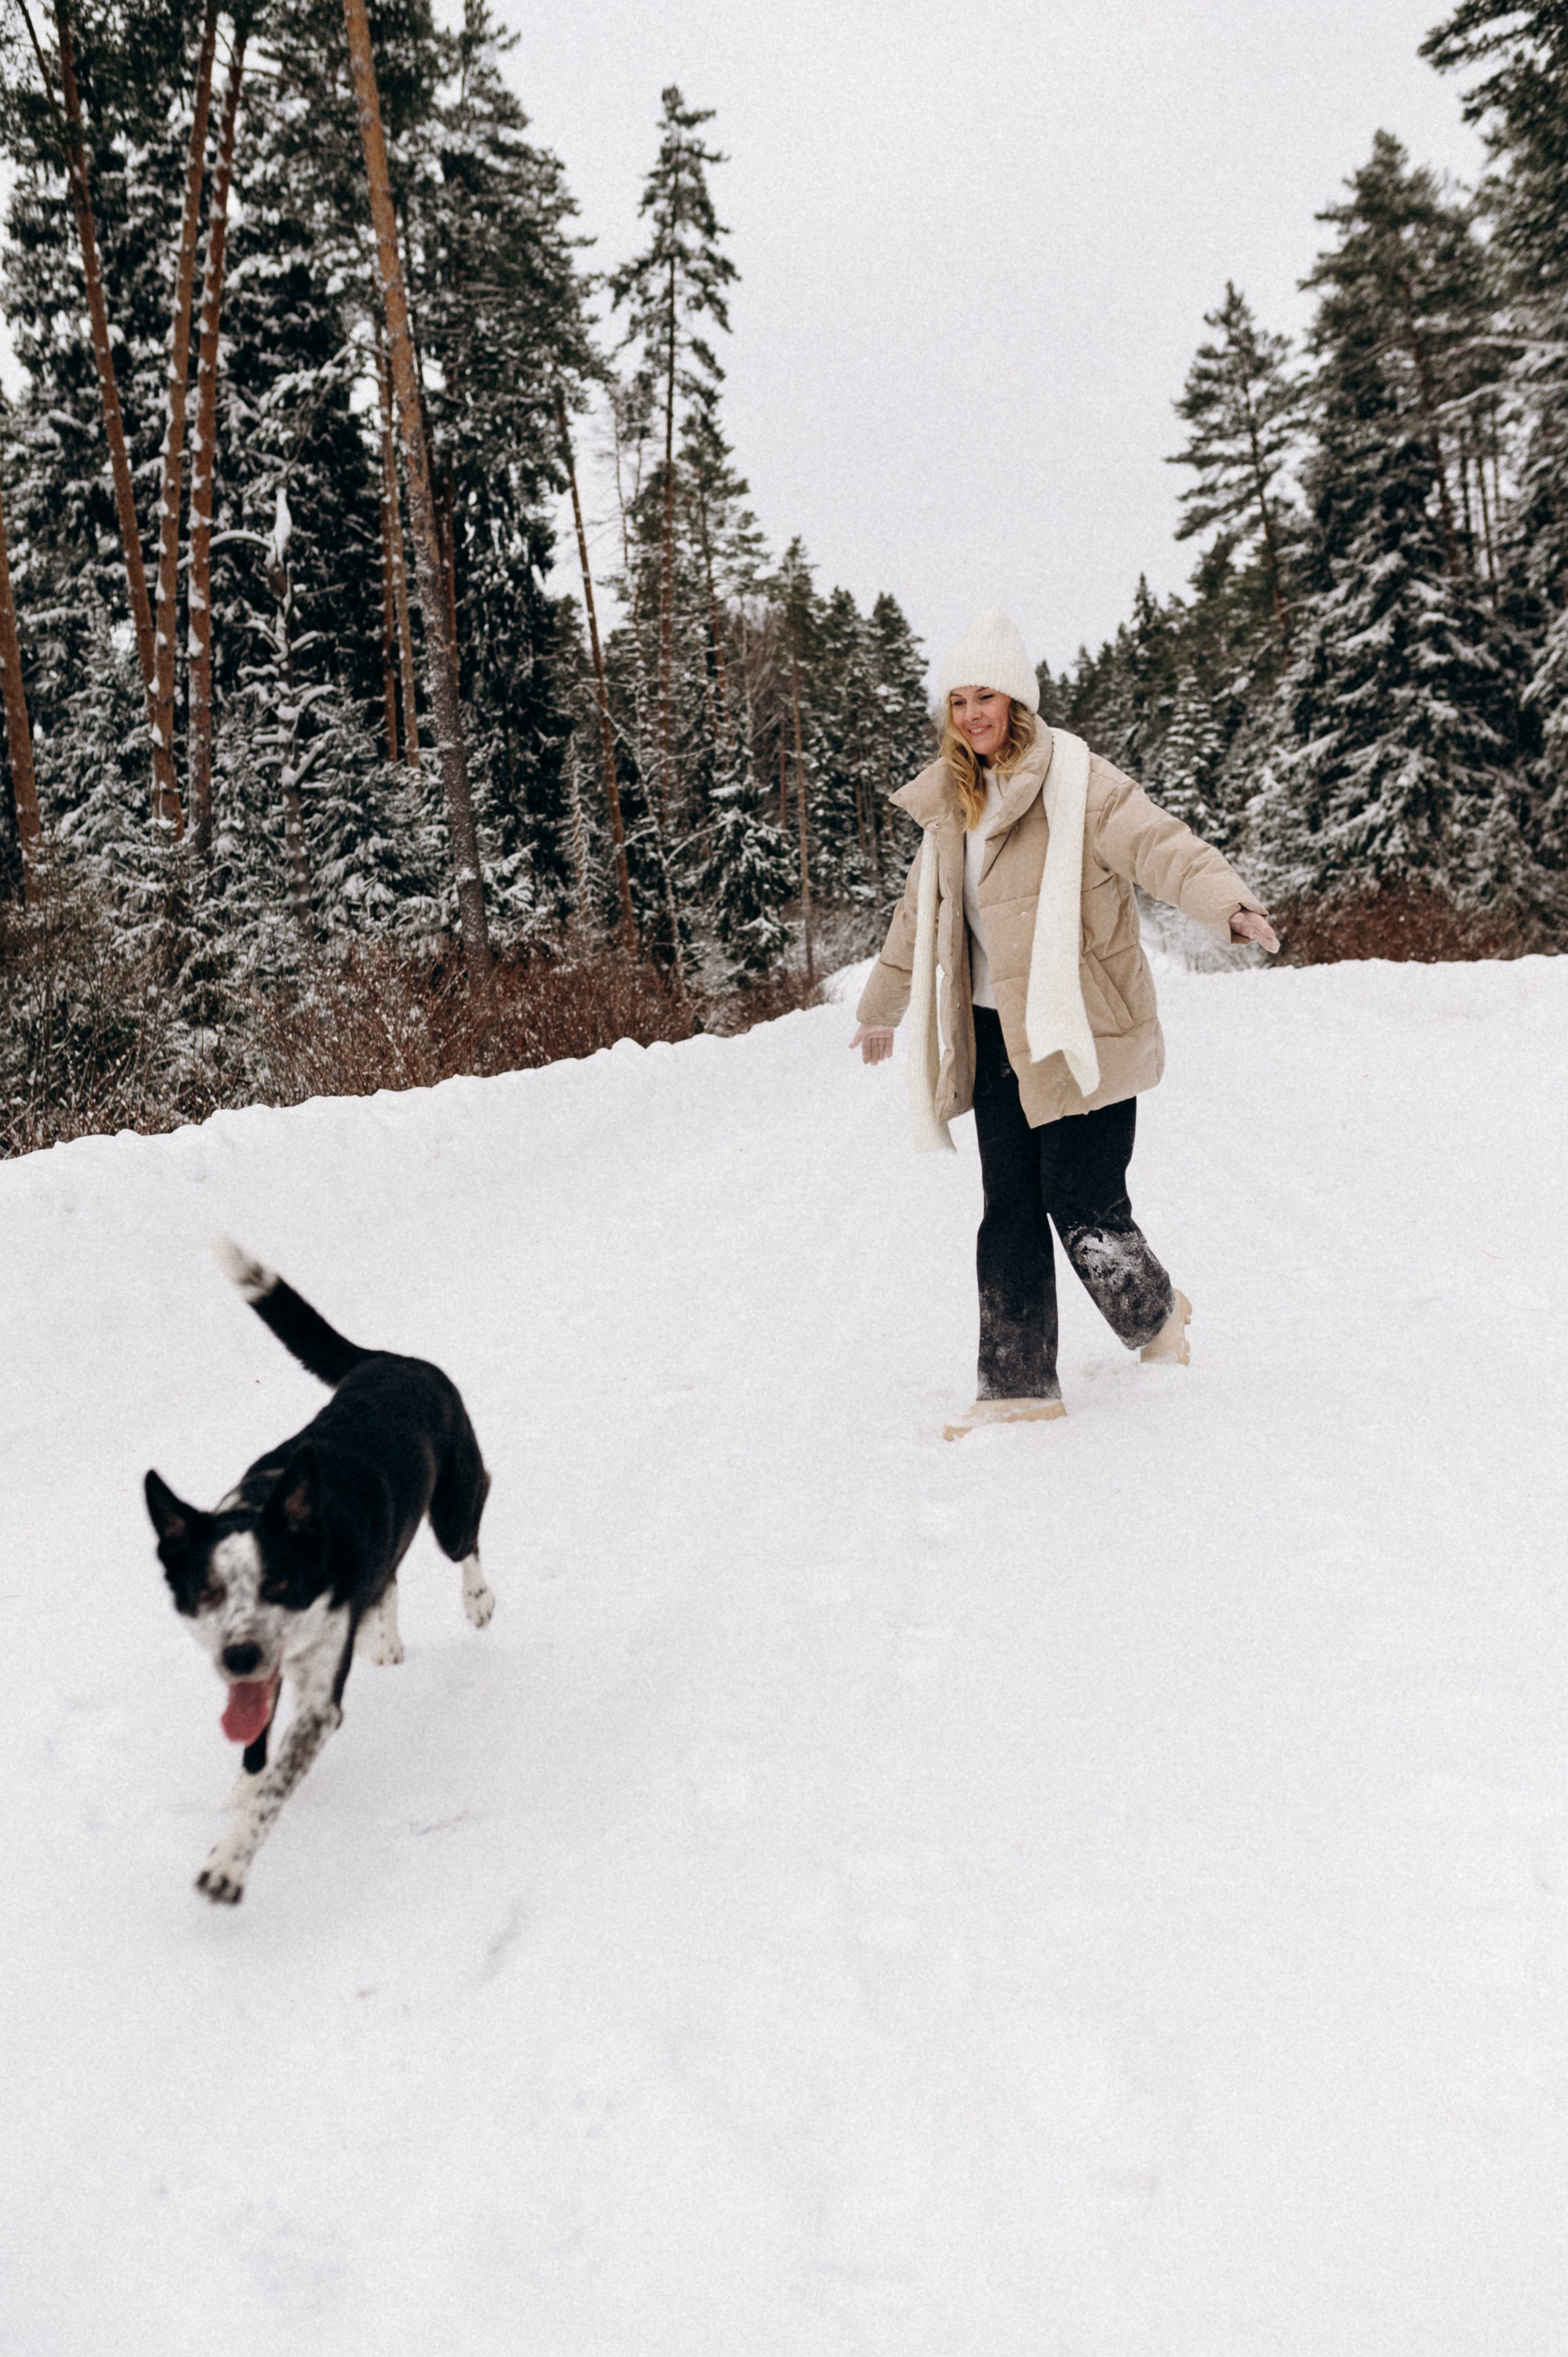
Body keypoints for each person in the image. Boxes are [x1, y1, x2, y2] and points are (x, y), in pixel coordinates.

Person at [850, 609, 1279, 1438]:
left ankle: (1155, 1316)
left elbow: (1160, 846)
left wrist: (1226, 905)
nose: (973, 714)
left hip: (1081, 1030)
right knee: (1008, 1204)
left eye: (989, 697)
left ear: (1018, 702)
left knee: (1083, 1203)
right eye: (959, 700)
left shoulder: (1080, 782)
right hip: (996, 1037)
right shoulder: (951, 806)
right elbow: (917, 921)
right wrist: (880, 1009)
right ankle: (1015, 1384)